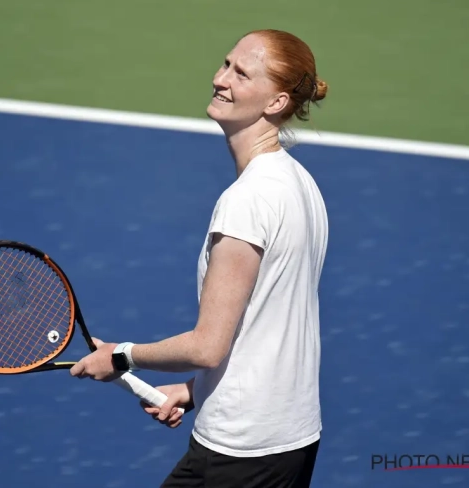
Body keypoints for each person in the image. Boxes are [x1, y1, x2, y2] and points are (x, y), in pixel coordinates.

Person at [69, 28, 329, 488]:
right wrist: (192, 391)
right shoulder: (299, 183)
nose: (220, 78)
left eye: (241, 73)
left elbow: (208, 346)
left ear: (275, 103)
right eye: (226, 63)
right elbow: (264, 326)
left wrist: (122, 356)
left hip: (243, 452)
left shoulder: (246, 201)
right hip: (280, 435)